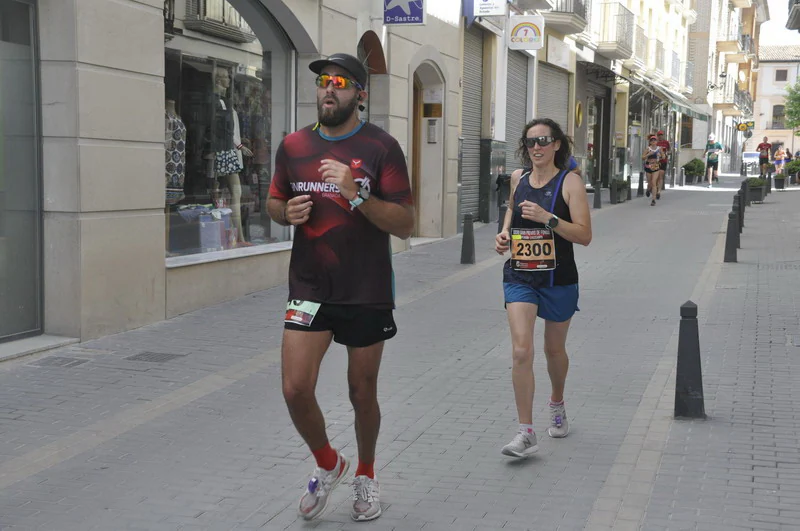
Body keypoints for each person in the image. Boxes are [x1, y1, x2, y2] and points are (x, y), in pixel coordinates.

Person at [267, 53, 415, 522]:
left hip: (366, 288)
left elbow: (406, 224)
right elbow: (275, 199)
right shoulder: (293, 145)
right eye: (323, 82)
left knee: (361, 391)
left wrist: (359, 193)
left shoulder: (381, 147)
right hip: (310, 284)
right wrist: (283, 213)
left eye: (341, 82)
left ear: (360, 94)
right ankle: (330, 463)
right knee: (294, 389)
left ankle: (367, 474)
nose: (329, 89)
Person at [494, 118, 592, 458]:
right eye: (531, 141)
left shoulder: (571, 183)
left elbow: (584, 235)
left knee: (554, 350)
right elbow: (511, 210)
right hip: (520, 276)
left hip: (558, 278)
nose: (536, 147)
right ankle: (525, 432)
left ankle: (557, 401)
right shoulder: (518, 178)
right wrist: (505, 234)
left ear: (557, 145)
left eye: (544, 140)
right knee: (522, 351)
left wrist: (547, 218)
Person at [642, 135, 663, 206]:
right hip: (648, 166)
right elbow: (643, 157)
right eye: (652, 140)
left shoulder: (659, 149)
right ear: (650, 142)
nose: (653, 141)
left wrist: (661, 155)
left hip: (656, 166)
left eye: (655, 140)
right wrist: (648, 154)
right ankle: (648, 189)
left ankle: (653, 200)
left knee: (654, 182)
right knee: (650, 182)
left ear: (657, 141)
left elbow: (663, 156)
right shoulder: (648, 149)